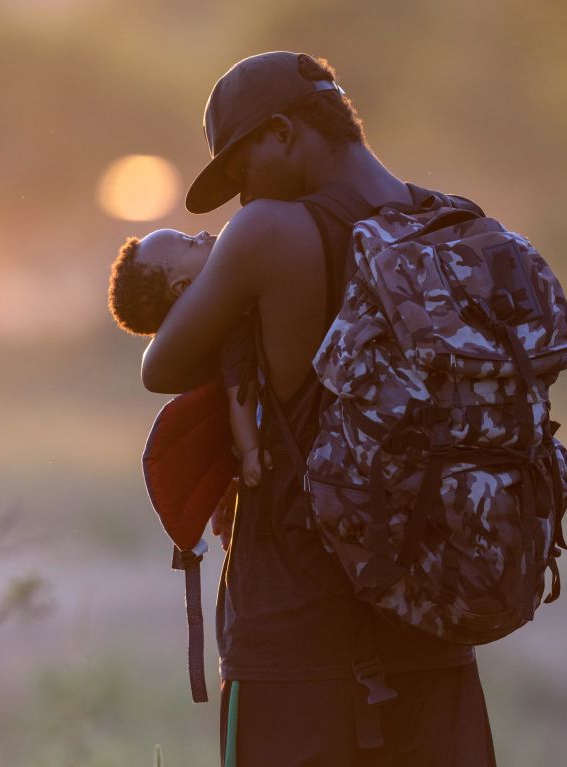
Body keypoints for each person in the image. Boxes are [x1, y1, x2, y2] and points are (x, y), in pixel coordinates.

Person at [141, 52, 497, 766]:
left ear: (282, 132)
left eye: (240, 168)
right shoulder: (453, 227)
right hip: (432, 630)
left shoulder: (270, 232)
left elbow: (162, 366)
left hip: (296, 644)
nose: (241, 197)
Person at [108, 228, 265, 496]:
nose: (203, 233)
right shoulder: (232, 326)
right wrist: (251, 451)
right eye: (190, 243)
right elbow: (240, 395)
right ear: (183, 287)